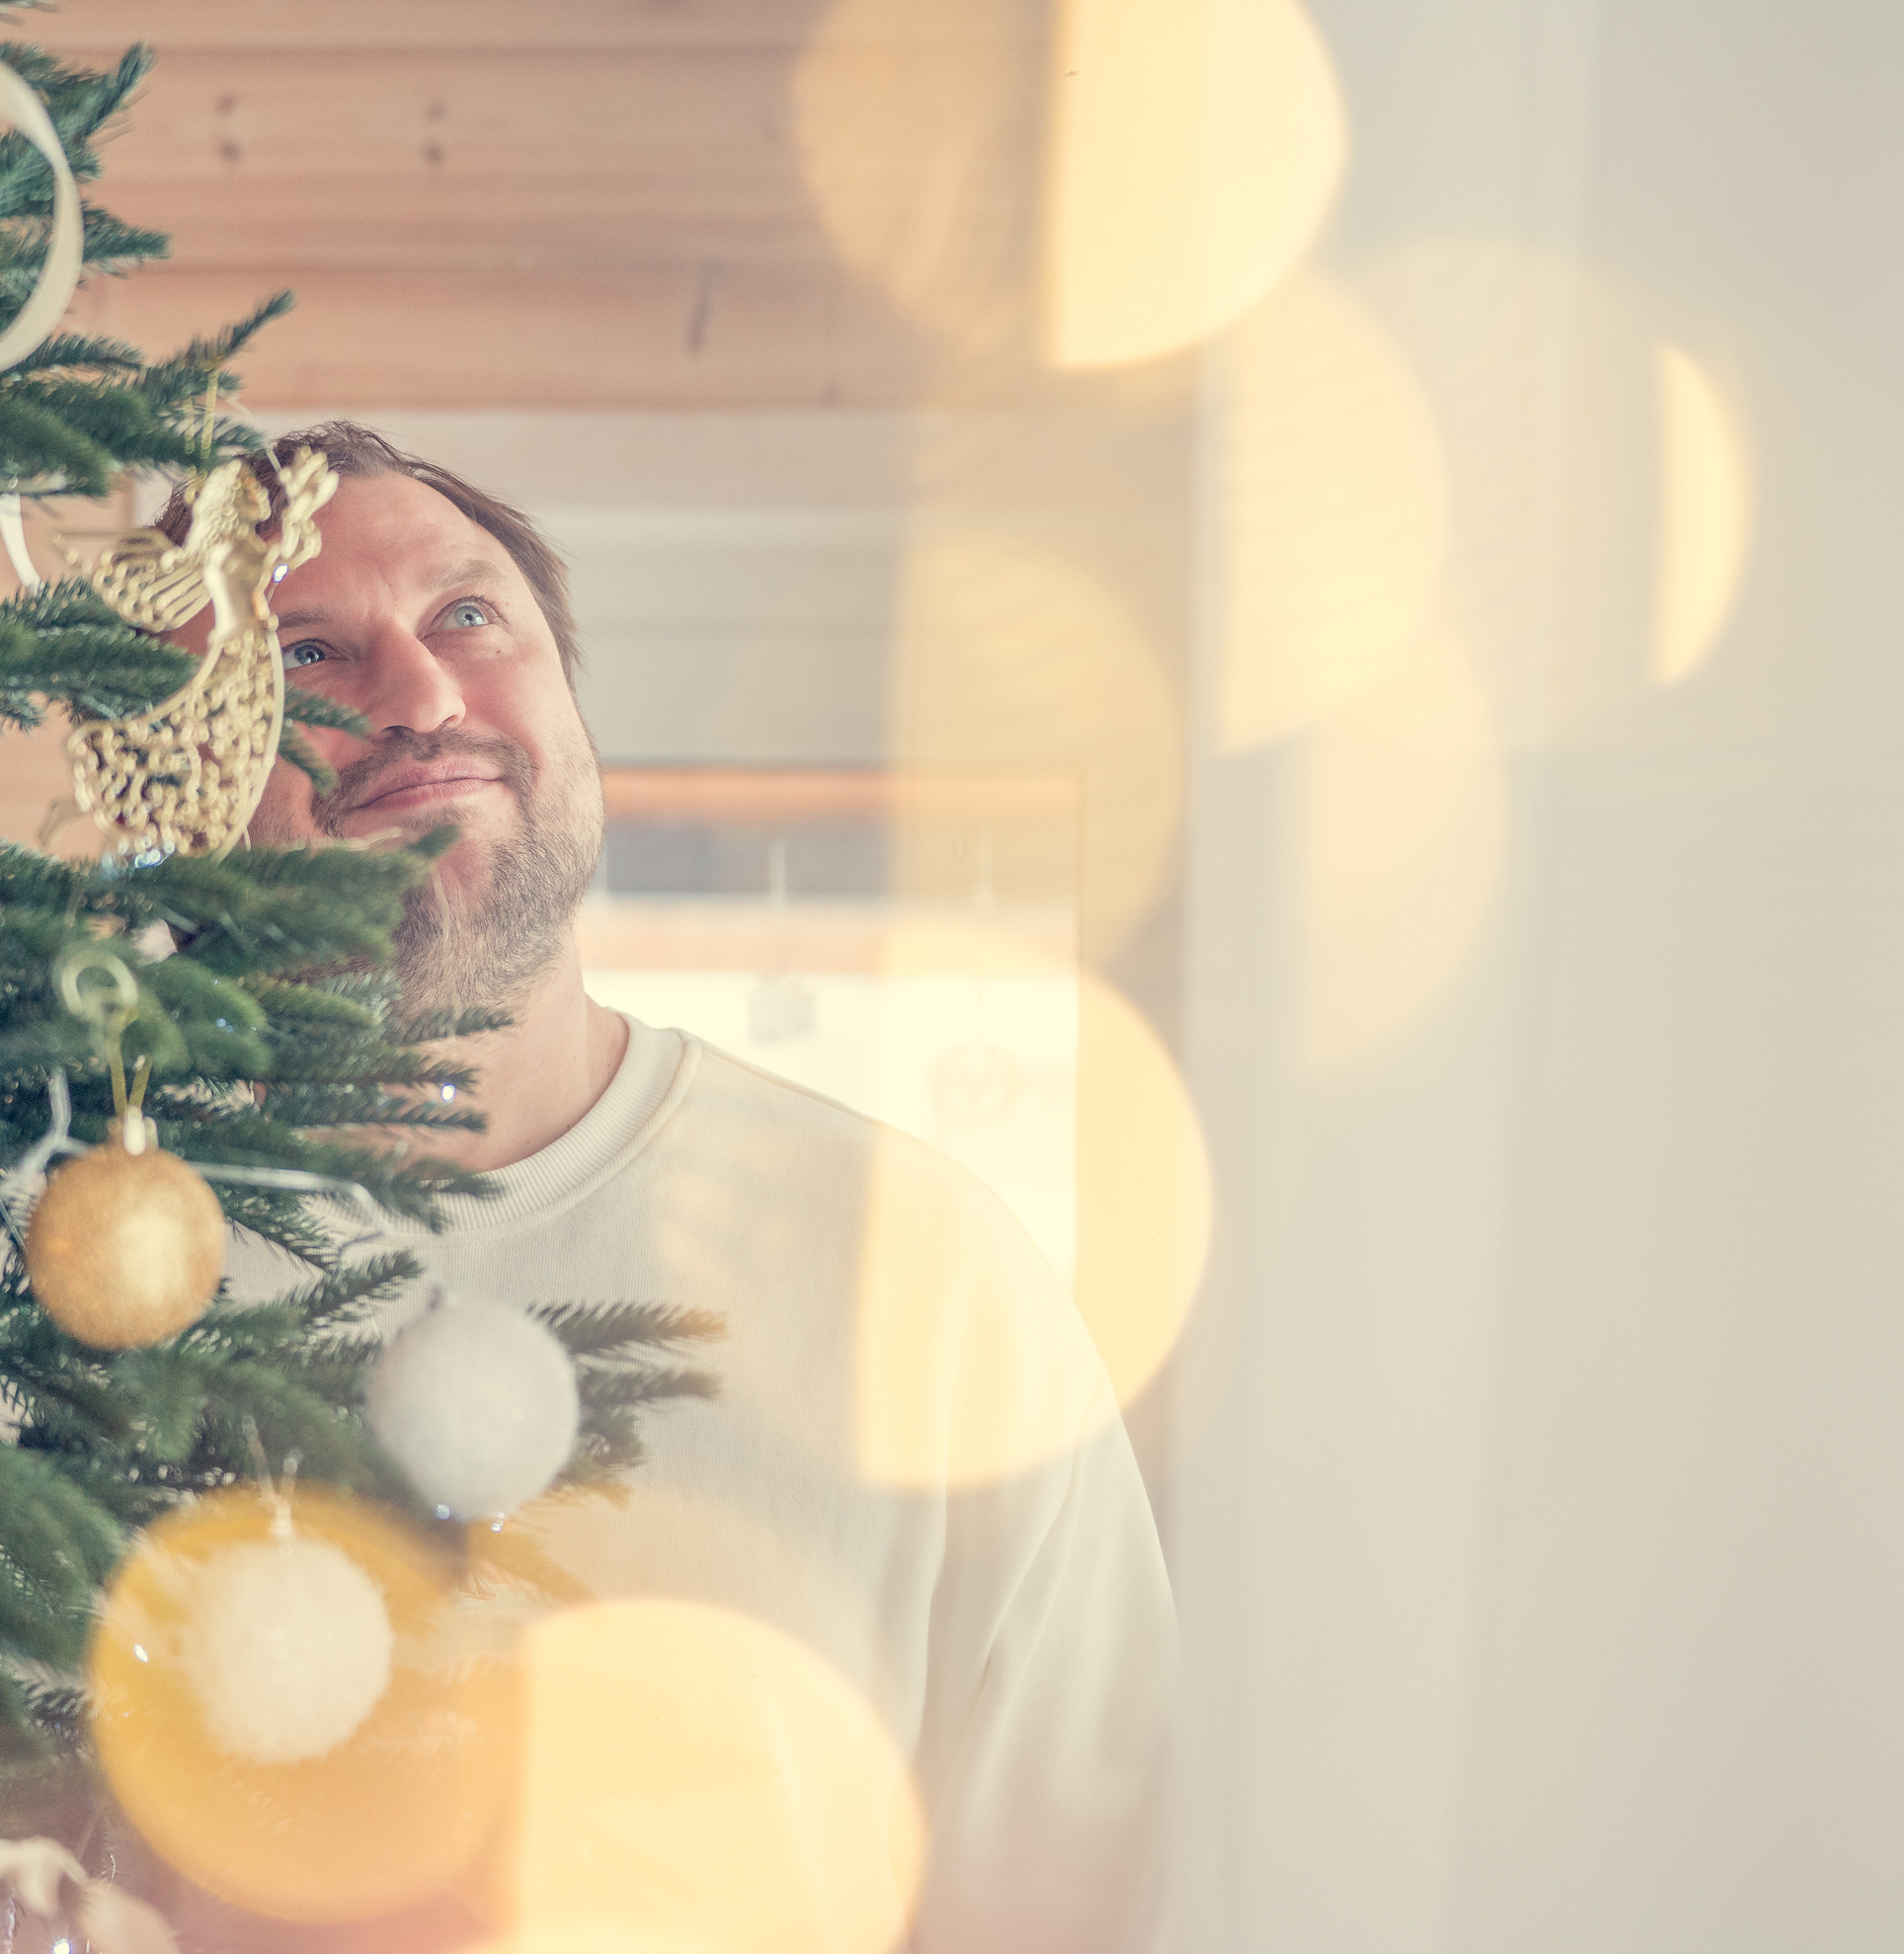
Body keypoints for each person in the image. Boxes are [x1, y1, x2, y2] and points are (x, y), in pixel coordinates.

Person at [187, 423, 1177, 1953]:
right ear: (184, 786)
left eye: (470, 616)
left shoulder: (919, 1273)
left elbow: (1099, 1892)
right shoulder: (13, 1291)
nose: (427, 694)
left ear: (576, 719)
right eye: (308, 650)